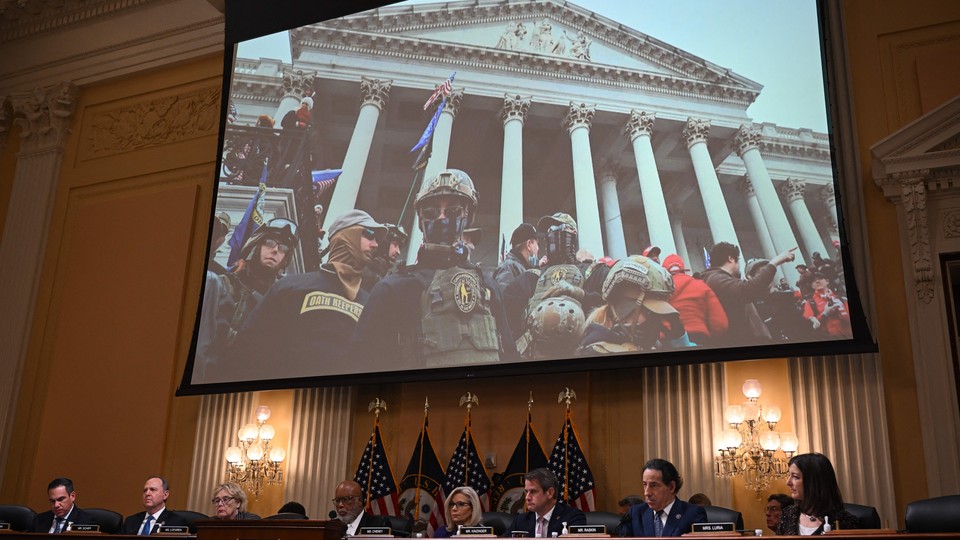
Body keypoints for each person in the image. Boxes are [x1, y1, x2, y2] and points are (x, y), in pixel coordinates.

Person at [352, 169, 518, 369]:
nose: (441, 218)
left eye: (453, 211)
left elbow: (509, 356)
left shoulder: (488, 285)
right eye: (431, 212)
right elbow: (363, 363)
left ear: (467, 217)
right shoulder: (391, 288)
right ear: (421, 221)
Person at [229, 210, 386, 378]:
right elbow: (248, 349)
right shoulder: (290, 287)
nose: (375, 245)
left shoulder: (370, 303)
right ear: (347, 235)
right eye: (369, 234)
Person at [195, 217, 298, 382]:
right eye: (270, 242)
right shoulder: (221, 285)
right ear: (255, 246)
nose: (275, 250)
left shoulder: (281, 306)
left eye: (283, 247)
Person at [504, 212, 603, 359]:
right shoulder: (533, 276)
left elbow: (609, 305)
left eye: (560, 227)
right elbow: (505, 306)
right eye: (550, 230)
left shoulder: (592, 272)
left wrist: (582, 295)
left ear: (573, 234)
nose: (554, 233)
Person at [578, 255, 694, 354]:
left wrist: (679, 338)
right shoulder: (595, 352)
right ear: (624, 309)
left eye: (659, 313)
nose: (655, 320)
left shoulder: (653, 346)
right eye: (649, 311)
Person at [700, 241, 797, 347]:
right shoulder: (715, 279)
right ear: (731, 258)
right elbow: (748, 290)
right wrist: (775, 262)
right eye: (739, 260)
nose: (739, 265)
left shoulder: (714, 278)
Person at [619, 459, 707, 537]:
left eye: (654, 485)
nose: (647, 493)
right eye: (645, 485)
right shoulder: (635, 513)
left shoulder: (693, 514)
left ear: (671, 487)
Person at [778, 453, 859, 535]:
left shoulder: (844, 522)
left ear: (813, 481)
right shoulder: (788, 514)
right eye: (789, 475)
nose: (788, 482)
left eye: (795, 477)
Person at [661, 254, 728, 347]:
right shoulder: (701, 285)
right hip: (700, 338)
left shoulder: (661, 290)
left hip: (670, 341)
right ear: (683, 270)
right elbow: (720, 324)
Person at [505, 468, 585, 537]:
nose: (527, 497)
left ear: (550, 493)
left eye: (533, 492)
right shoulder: (521, 521)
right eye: (527, 492)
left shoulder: (573, 518)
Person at [121, 476, 189, 534]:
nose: (147, 493)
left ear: (165, 495)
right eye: (145, 490)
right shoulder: (131, 521)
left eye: (153, 490)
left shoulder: (176, 522)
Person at [32, 477, 96, 533]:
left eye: (61, 499)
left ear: (72, 496)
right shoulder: (39, 520)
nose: (56, 505)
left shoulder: (86, 522)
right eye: (52, 501)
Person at [801, 272, 852, 338]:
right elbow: (811, 326)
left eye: (820, 278)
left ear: (827, 281)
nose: (817, 281)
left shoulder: (841, 298)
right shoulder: (810, 303)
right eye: (813, 281)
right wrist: (825, 314)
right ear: (812, 286)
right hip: (830, 337)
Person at [362, 223, 407, 292]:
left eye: (400, 247)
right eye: (395, 245)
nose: (398, 251)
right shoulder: (367, 272)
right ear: (385, 244)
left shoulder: (384, 272)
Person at [494, 223, 539, 290]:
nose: (538, 248)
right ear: (529, 244)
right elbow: (503, 297)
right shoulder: (508, 267)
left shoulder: (517, 267)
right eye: (537, 244)